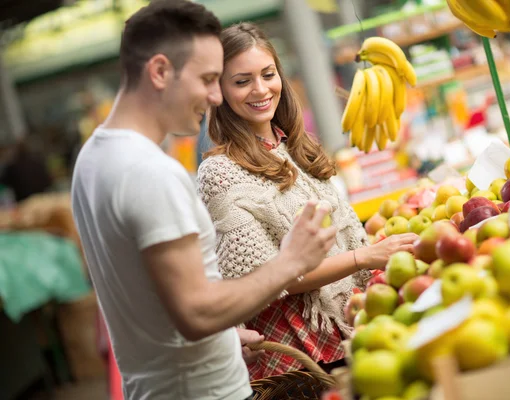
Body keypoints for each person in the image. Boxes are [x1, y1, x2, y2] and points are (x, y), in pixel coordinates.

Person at [70, 2, 337, 400]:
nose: (215, 96)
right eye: (209, 79)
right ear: (160, 71)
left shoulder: (92, 158)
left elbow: (161, 301)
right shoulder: (150, 172)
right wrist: (291, 262)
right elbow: (197, 312)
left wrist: (226, 337)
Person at [197, 22, 418, 380]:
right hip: (301, 354)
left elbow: (338, 237)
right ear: (219, 91)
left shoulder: (298, 147)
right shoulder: (219, 174)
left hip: (354, 325)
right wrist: (366, 256)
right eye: (242, 81)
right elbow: (267, 277)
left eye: (268, 74)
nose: (260, 89)